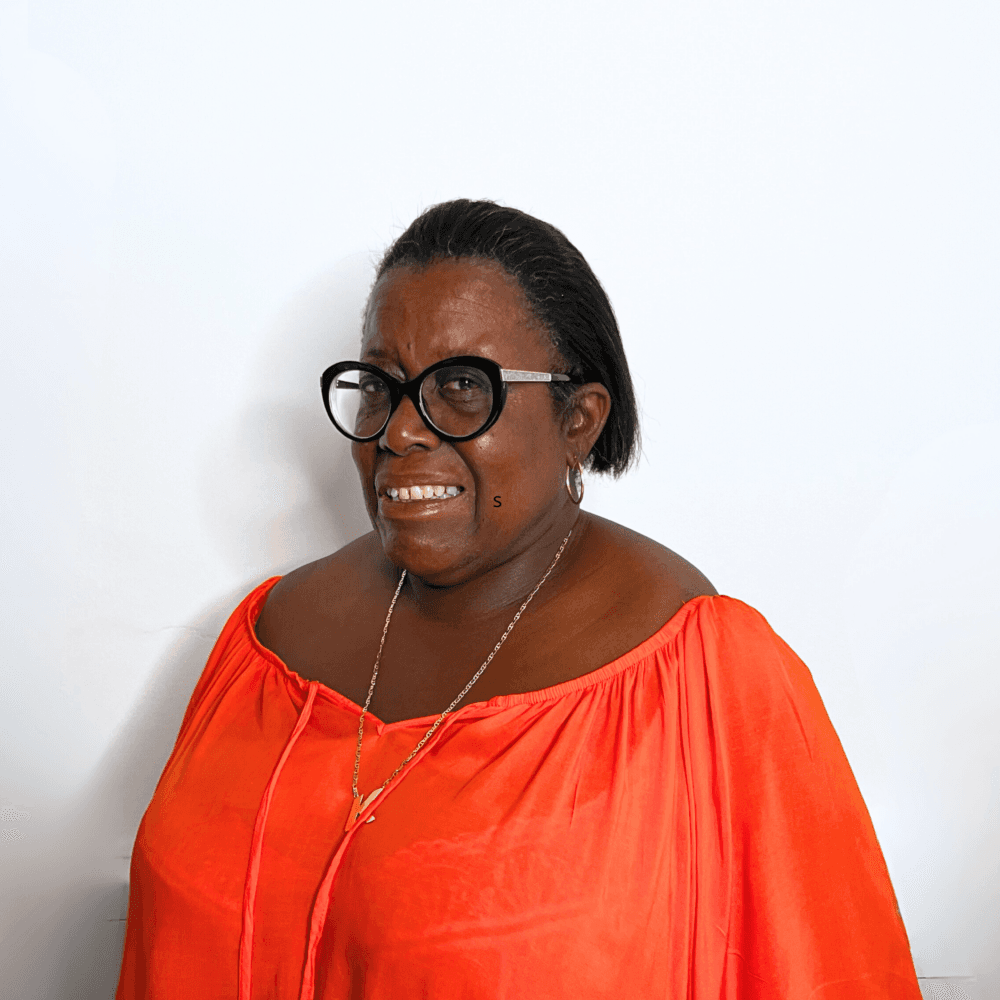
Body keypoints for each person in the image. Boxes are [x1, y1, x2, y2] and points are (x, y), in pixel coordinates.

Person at [116, 199, 922, 998]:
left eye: (462, 385)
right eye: (380, 386)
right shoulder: (261, 640)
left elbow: (832, 975)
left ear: (579, 420)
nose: (400, 431)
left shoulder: (708, 681)